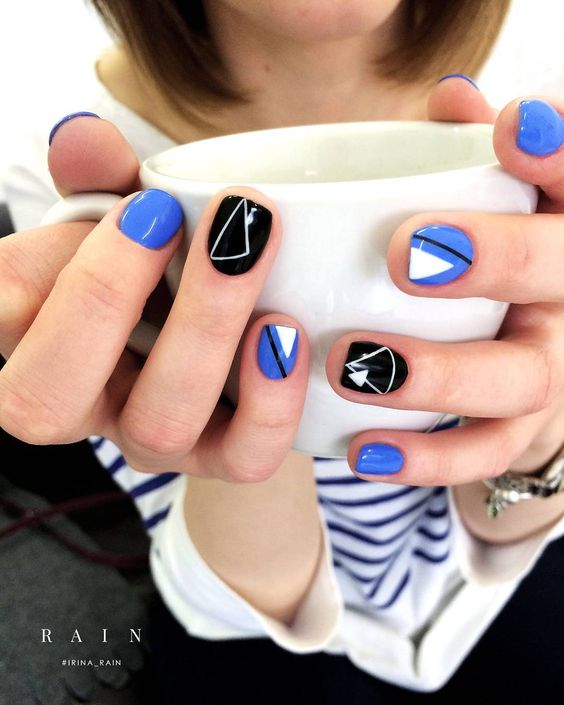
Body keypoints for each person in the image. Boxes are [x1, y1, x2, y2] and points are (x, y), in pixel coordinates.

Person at [2, 0, 564, 701]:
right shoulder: (82, 165)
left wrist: (543, 429)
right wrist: (235, 399)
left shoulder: (534, 100)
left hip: (519, 541)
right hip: (252, 597)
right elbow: (247, 599)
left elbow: (510, 527)